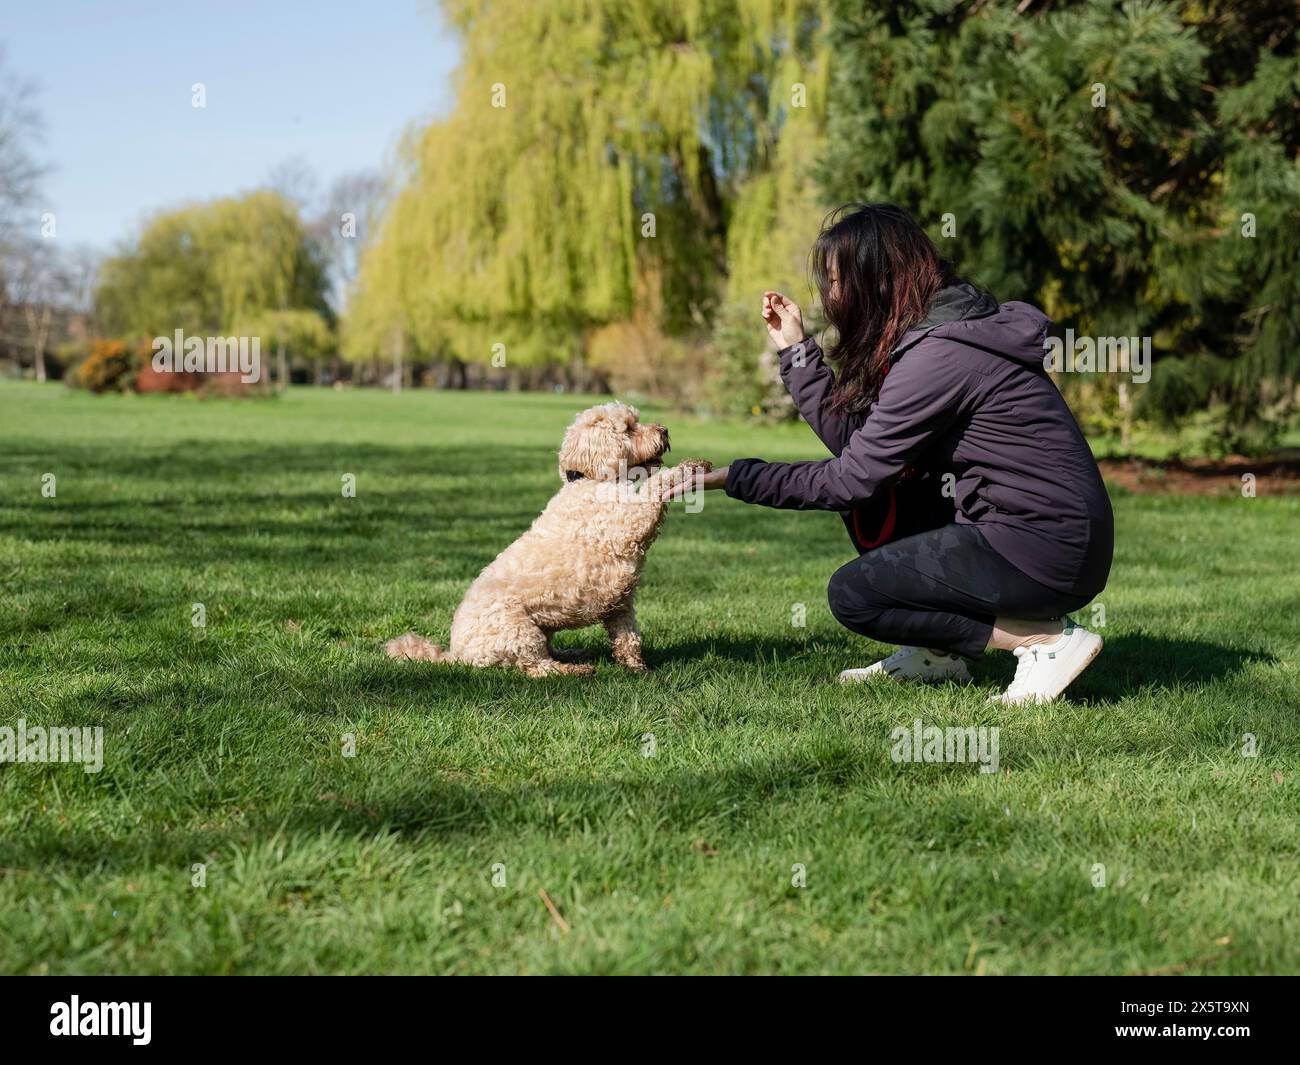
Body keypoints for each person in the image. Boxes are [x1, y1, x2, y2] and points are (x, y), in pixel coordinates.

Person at [669, 203, 1113, 705]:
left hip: (1045, 547)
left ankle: (1044, 642)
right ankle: (939, 653)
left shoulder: (940, 353)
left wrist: (737, 478)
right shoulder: (939, 332)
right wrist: (797, 353)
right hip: (1044, 535)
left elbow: (851, 477)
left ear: (876, 281)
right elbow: (861, 453)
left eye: (838, 282)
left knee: (855, 595)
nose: (830, 296)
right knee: (879, 503)